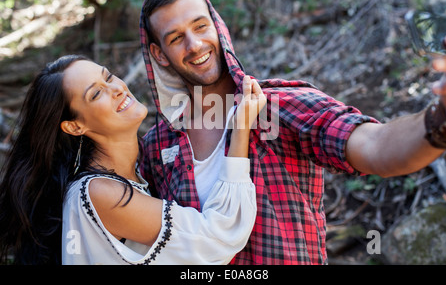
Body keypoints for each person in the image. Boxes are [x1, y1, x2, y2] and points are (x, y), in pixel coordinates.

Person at [139, 0, 446, 265]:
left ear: (218, 27)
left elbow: (375, 145)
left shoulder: (281, 105)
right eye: (177, 37)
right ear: (160, 54)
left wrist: (442, 116)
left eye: (200, 26)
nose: (194, 45)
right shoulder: (157, 146)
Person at [0, 54, 267, 265]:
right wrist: (240, 126)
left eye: (109, 76)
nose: (116, 89)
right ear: (75, 127)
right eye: (95, 93)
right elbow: (219, 235)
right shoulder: (97, 193)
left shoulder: (140, 171)